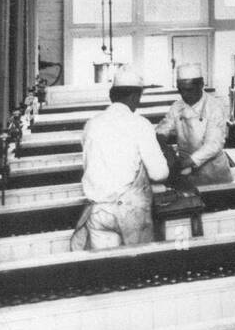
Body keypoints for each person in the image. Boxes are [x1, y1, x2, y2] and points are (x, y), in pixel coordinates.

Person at [71, 67, 171, 250]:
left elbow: (88, 166)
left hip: (99, 211)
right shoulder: (140, 124)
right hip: (130, 212)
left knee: (108, 270)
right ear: (135, 97)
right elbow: (159, 174)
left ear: (111, 95)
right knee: (137, 269)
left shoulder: (91, 125)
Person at [156, 62, 232, 185]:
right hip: (186, 171)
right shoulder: (177, 106)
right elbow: (162, 130)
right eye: (181, 90)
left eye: (189, 90)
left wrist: (182, 164)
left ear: (201, 84)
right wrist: (164, 147)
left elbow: (213, 145)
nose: (184, 95)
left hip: (213, 173)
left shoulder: (214, 107)